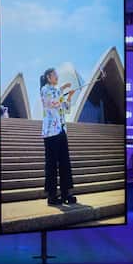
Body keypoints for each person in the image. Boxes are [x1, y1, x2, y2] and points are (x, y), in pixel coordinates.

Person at [40, 67, 77, 206]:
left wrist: (70, 96)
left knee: (65, 163)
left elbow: (65, 109)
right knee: (51, 164)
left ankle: (67, 193)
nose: (57, 76)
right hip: (50, 132)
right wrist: (62, 89)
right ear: (49, 77)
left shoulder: (57, 92)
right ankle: (51, 195)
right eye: (54, 74)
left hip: (61, 130)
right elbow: (53, 102)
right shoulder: (45, 89)